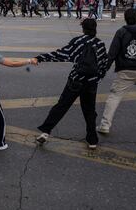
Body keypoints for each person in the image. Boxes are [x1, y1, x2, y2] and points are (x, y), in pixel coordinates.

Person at [33, 19, 109, 149]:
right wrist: (98, 79)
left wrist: (41, 57)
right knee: (90, 111)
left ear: (83, 29)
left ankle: (45, 132)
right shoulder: (100, 44)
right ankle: (92, 140)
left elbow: (62, 54)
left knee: (61, 106)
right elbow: (103, 65)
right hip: (91, 83)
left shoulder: (78, 41)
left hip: (76, 80)